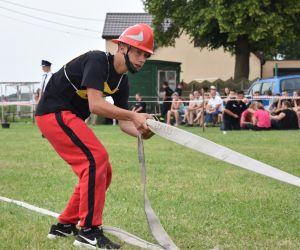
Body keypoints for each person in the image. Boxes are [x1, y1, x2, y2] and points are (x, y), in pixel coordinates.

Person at [35, 23, 154, 249]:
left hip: (67, 117)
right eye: (138, 52)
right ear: (122, 48)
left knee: (103, 171)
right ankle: (89, 232)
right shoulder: (97, 60)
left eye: (145, 55)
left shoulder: (123, 80)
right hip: (53, 112)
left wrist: (144, 132)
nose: (142, 59)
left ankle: (64, 225)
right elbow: (96, 105)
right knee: (96, 159)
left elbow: (124, 123)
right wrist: (133, 115)